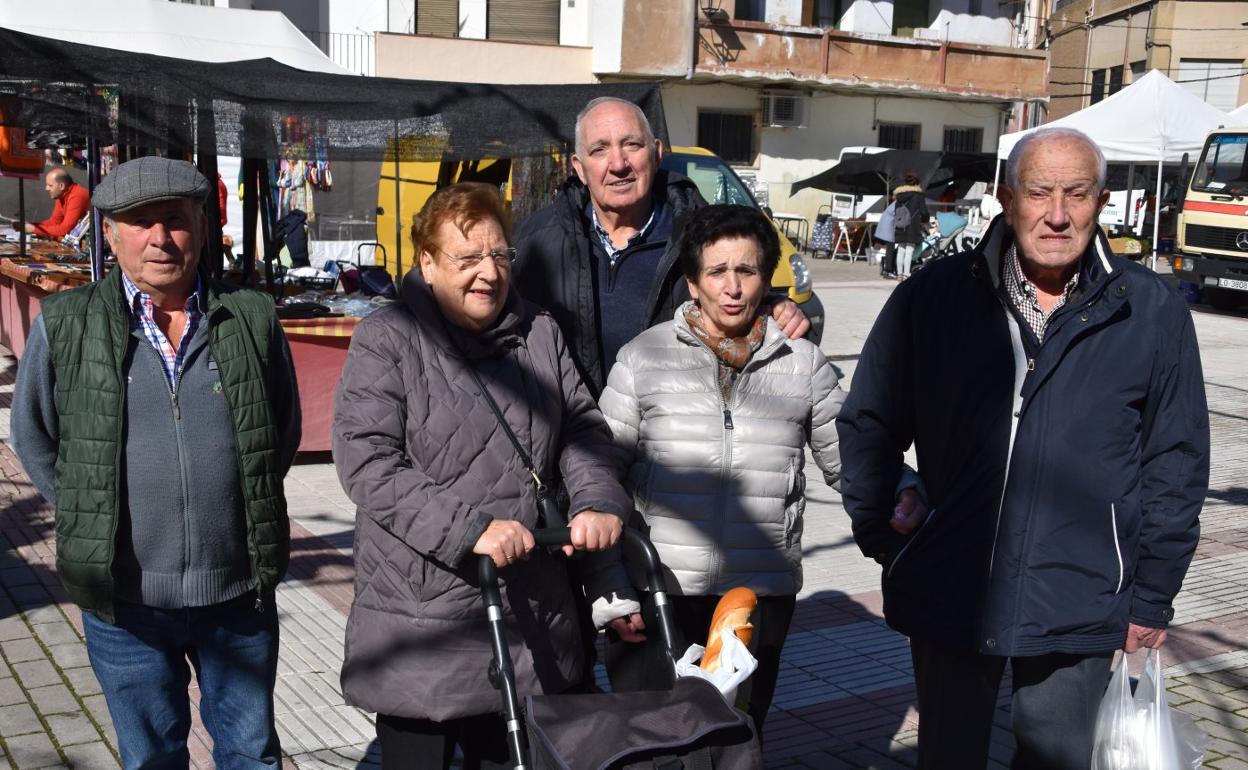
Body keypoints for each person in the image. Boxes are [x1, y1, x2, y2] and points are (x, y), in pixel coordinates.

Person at [836, 127, 1209, 769]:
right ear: (1008, 199)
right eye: (1039, 192)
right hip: (953, 579)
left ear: (1102, 201)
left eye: (1076, 194)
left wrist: (1151, 595)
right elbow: (868, 422)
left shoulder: (1150, 311)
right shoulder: (934, 297)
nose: (1057, 214)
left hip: (1083, 591)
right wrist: (886, 527)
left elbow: (1175, 463)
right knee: (949, 758)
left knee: (1057, 761)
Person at [11, 156, 302, 769]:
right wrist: (87, 509)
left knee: (251, 754)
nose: (160, 239)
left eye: (175, 219)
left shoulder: (249, 316)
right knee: (151, 759)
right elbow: (34, 435)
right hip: (126, 599)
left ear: (200, 224)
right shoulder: (66, 323)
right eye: (140, 223)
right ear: (110, 234)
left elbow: (281, 428)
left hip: (236, 593)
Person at [332, 182, 633, 770]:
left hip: (528, 608)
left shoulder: (538, 331)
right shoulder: (388, 338)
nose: (488, 274)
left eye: (499, 256)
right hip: (423, 613)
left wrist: (596, 500)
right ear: (426, 261)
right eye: (466, 259)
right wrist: (472, 528)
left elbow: (581, 429)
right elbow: (368, 461)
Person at [588, 204, 844, 735]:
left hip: (759, 597)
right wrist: (611, 589)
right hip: (658, 594)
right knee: (652, 746)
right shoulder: (643, 359)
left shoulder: (802, 365)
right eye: (717, 272)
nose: (732, 287)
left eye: (746, 271)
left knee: (735, 743)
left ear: (765, 279)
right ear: (692, 283)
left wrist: (908, 493)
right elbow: (597, 482)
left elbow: (858, 464)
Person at [513, 96, 810, 397]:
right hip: (571, 436)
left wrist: (774, 306)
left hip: (675, 435)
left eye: (632, 145)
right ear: (579, 167)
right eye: (599, 149)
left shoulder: (703, 239)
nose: (618, 164)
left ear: (656, 153)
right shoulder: (536, 239)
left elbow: (738, 294)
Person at [17, 167, 89, 239]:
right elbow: (54, 222)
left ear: (61, 186)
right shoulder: (61, 194)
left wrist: (34, 229)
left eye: (50, 185)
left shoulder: (77, 196)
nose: (46, 188)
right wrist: (32, 226)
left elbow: (65, 229)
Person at [890, 173, 929, 278]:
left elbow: (896, 211)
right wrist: (925, 221)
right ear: (917, 184)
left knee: (901, 249)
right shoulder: (918, 196)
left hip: (900, 225)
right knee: (909, 251)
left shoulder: (898, 196)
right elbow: (924, 212)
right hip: (913, 226)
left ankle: (899, 273)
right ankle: (906, 274)